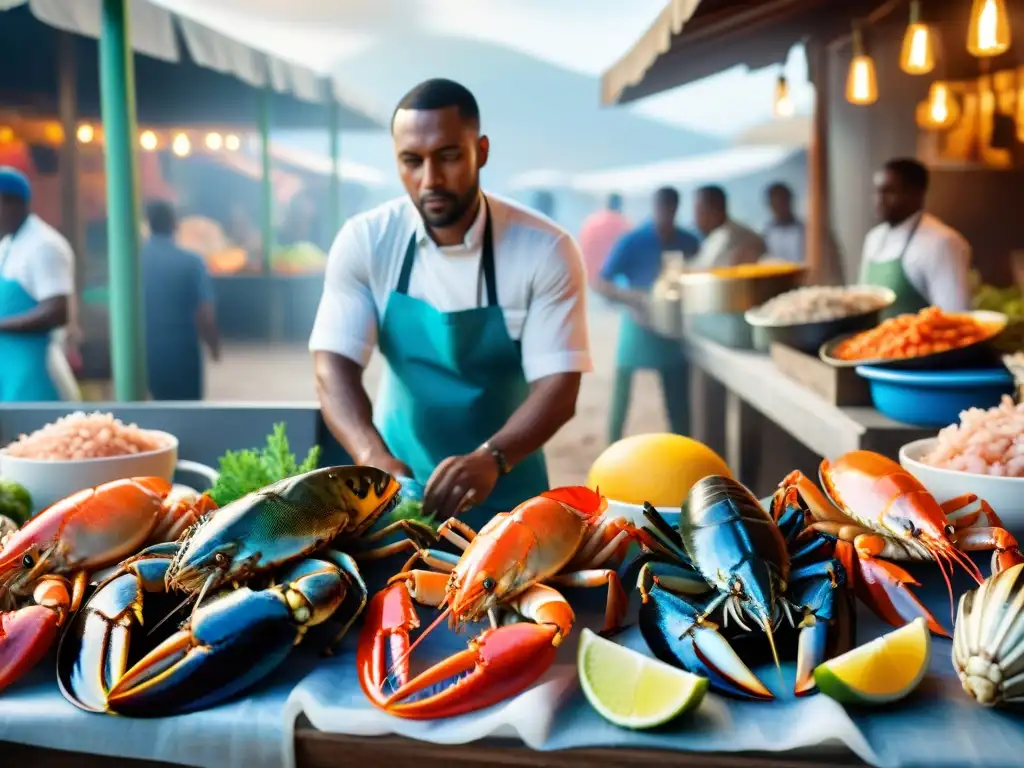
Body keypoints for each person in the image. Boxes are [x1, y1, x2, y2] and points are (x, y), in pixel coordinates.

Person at [309, 79, 591, 526]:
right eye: (412, 161)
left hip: (510, 489)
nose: (430, 179)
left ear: (481, 150)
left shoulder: (545, 249)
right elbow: (333, 366)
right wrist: (370, 454)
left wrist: (492, 457)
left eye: (448, 156)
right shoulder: (366, 240)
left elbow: (559, 388)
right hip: (396, 495)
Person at [594, 187, 700, 443]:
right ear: (655, 208)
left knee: (677, 394)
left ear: (676, 208)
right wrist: (632, 297)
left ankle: (682, 446)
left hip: (673, 326)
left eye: (670, 208)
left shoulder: (688, 241)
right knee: (622, 388)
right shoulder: (634, 240)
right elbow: (601, 282)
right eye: (661, 208)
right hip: (638, 321)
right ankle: (612, 446)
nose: (666, 213)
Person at [0, 167, 75, 402]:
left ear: (11, 203)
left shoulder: (43, 246)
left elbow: (56, 311)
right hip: (11, 372)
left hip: (37, 375)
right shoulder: (8, 245)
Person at [860, 158, 971, 317]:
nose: (879, 200)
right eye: (877, 191)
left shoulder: (941, 242)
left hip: (917, 341)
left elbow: (955, 317)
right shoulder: (873, 238)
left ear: (916, 194)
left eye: (889, 191)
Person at [141, 200, 221, 400]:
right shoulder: (192, 262)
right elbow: (205, 312)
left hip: (143, 352)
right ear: (175, 224)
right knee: (187, 413)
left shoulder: (132, 260)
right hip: (182, 353)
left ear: (148, 224)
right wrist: (213, 345)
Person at [691, 185, 767, 268]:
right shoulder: (714, 237)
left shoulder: (742, 239)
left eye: (699, 211)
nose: (695, 219)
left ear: (714, 210)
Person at [578, 192, 632, 283]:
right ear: (620, 206)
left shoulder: (591, 222)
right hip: (608, 284)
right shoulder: (625, 225)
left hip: (586, 278)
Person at [761, 182, 805, 264]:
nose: (779, 207)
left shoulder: (805, 231)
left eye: (782, 201)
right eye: (775, 203)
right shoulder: (767, 234)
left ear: (789, 201)